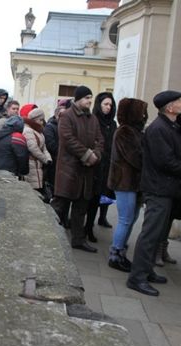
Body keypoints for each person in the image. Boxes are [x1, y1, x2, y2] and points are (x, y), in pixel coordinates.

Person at [127, 90, 181, 296]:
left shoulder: (171, 126)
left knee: (157, 233)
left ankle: (147, 271)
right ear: (169, 107)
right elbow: (165, 161)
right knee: (150, 235)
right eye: (178, 101)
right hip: (158, 189)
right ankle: (137, 277)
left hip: (167, 189)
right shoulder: (159, 129)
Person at [50, 85, 104, 253]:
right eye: (87, 97)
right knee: (60, 206)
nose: (89, 101)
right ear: (78, 99)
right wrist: (87, 155)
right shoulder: (67, 116)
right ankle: (49, 235)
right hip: (69, 170)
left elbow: (100, 140)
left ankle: (78, 240)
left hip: (86, 172)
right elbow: (68, 139)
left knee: (81, 208)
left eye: (91, 98)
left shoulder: (93, 119)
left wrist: (96, 155)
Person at [107, 98, 147, 272]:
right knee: (125, 219)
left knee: (131, 219)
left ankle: (121, 252)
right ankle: (115, 255)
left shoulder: (136, 131)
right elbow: (135, 158)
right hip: (124, 182)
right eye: (142, 111)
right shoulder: (124, 131)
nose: (145, 115)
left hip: (135, 183)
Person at [85, 92, 117, 242]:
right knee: (88, 199)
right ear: (99, 105)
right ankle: (82, 227)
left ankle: (90, 227)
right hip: (93, 164)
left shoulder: (113, 123)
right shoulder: (92, 120)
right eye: (105, 104)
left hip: (106, 166)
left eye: (110, 105)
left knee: (99, 198)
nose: (108, 107)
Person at [24, 108, 52, 199]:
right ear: (35, 119)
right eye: (40, 120)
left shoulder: (39, 132)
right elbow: (33, 148)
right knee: (32, 191)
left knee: (38, 190)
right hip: (31, 164)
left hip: (38, 165)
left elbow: (44, 147)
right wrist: (44, 159)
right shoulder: (28, 130)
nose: (42, 122)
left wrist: (48, 158)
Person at [44, 99, 71, 189]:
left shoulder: (66, 126)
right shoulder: (50, 127)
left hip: (64, 162)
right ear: (57, 115)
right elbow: (51, 145)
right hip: (54, 162)